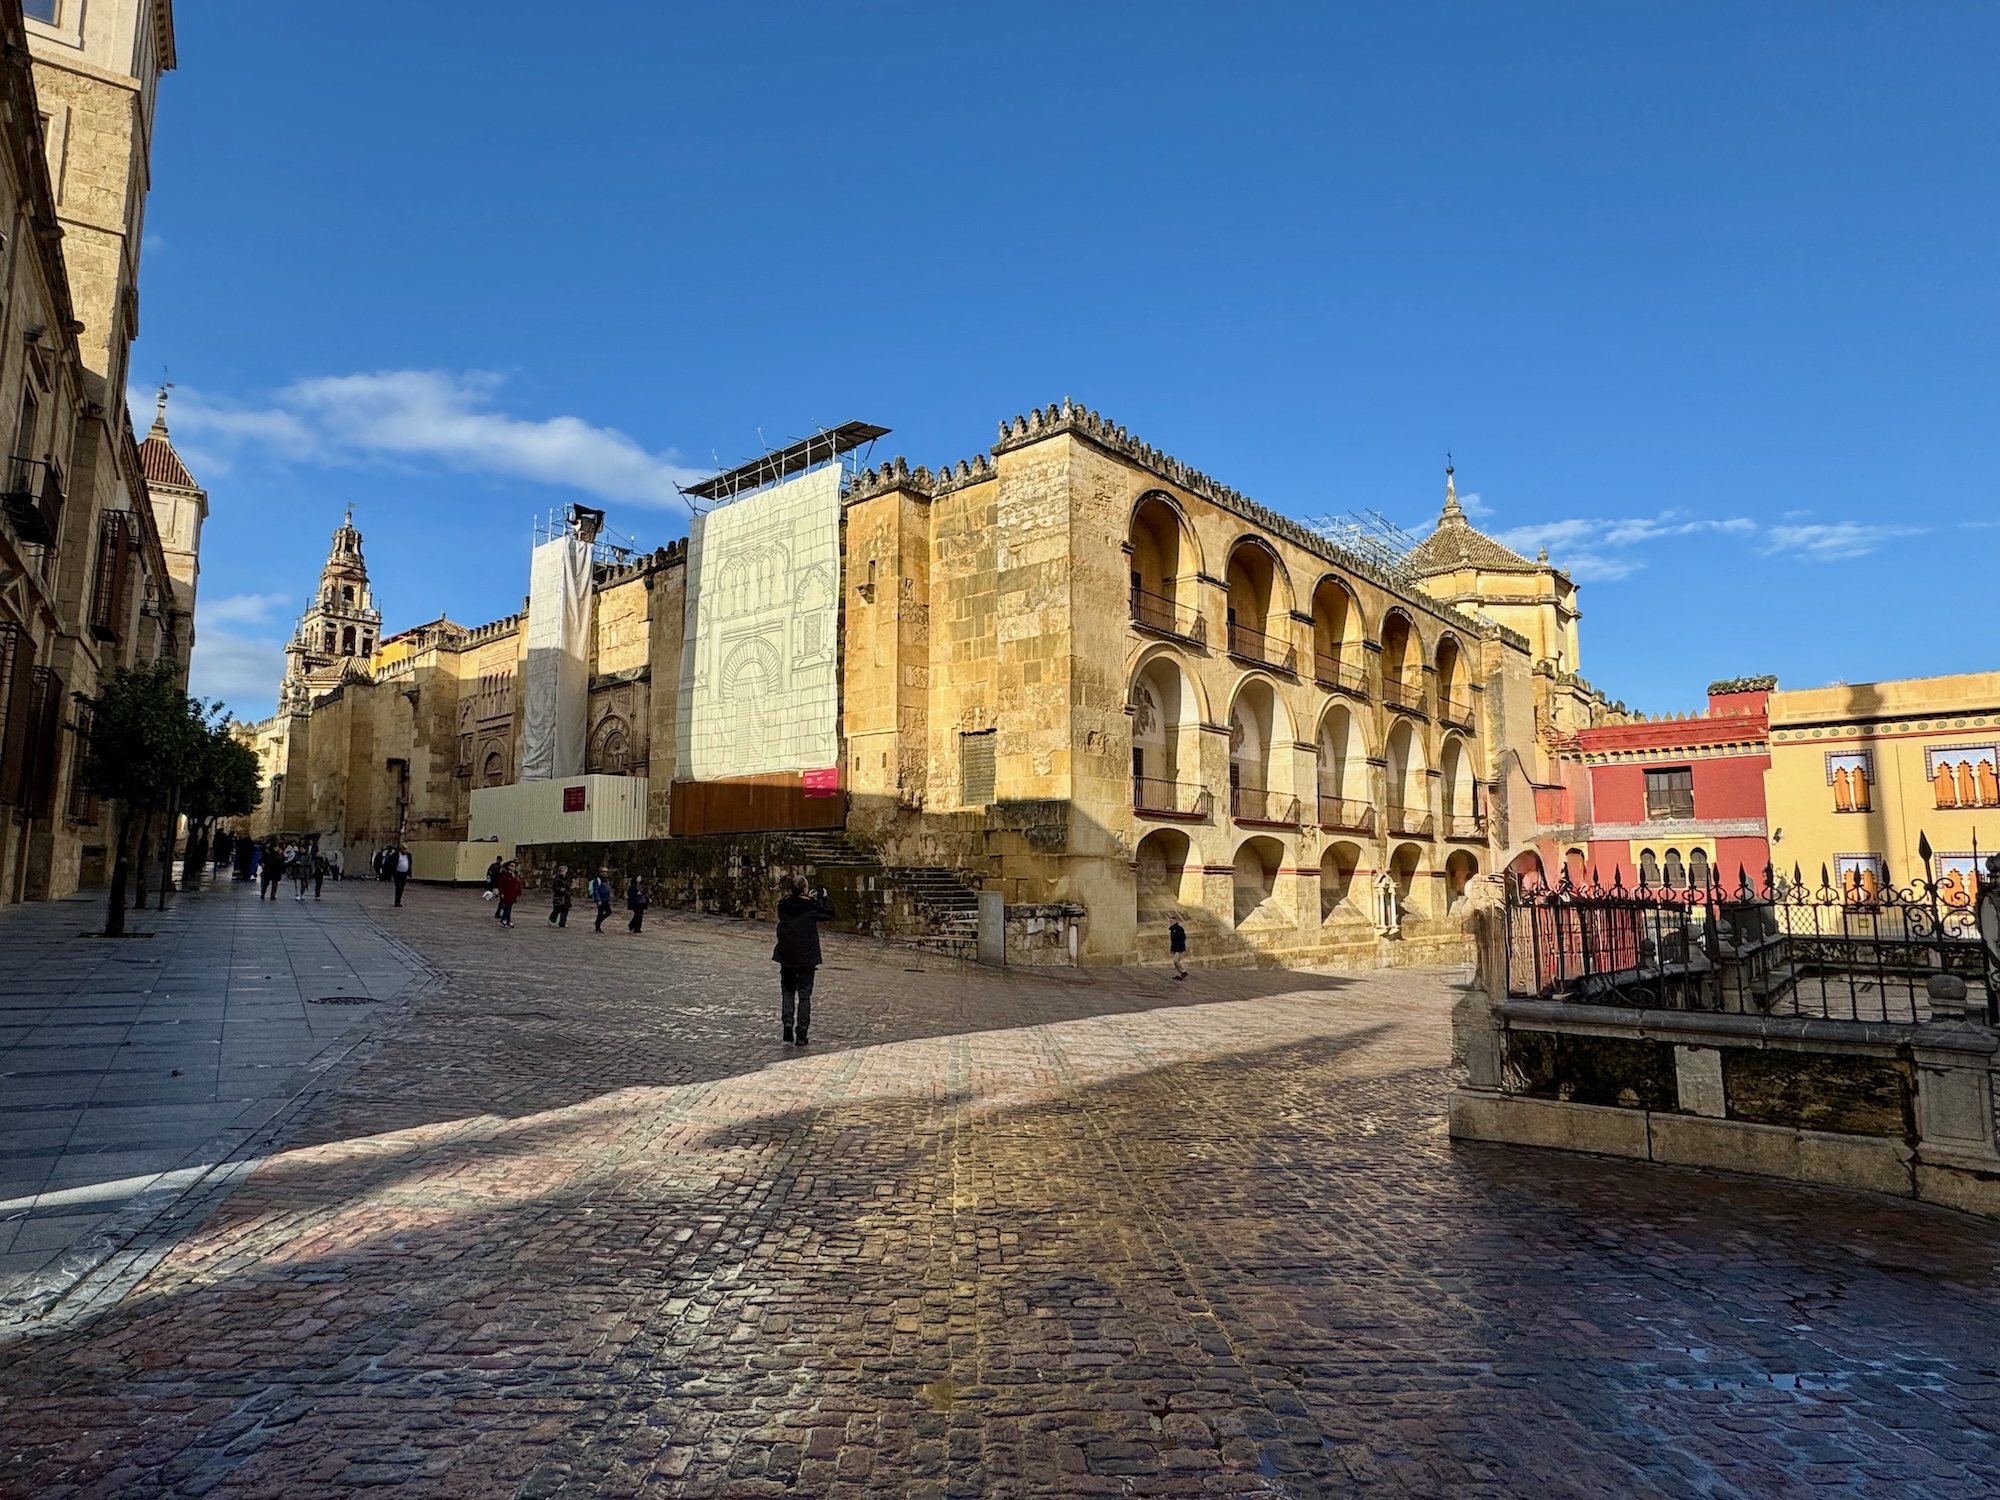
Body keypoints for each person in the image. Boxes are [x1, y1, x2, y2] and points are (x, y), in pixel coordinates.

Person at [773, 876, 836, 1046]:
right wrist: (823, 898)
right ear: (805, 890)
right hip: (806, 957)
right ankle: (801, 1033)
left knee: (787, 991)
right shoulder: (811, 907)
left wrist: (807, 898)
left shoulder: (784, 906)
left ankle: (787, 1022)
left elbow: (787, 902)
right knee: (804, 996)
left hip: (787, 955)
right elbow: (828, 913)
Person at [495, 860, 523, 927]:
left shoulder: (515, 876)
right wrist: (501, 893)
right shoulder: (505, 875)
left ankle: (507, 920)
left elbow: (518, 884)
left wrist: (519, 892)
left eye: (514, 866)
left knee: (509, 908)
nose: (513, 867)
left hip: (513, 894)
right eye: (511, 866)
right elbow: (500, 884)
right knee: (507, 907)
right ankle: (505, 920)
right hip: (506, 894)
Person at [590, 867, 614, 932]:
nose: (605, 873)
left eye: (606, 872)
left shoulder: (607, 880)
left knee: (608, 912)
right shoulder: (597, 880)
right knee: (600, 913)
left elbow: (608, 889)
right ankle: (597, 926)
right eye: (603, 872)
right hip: (601, 899)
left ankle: (598, 922)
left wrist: (610, 896)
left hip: (606, 899)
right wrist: (598, 899)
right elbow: (596, 890)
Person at [1169, 914, 1189, 980]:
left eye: (1172, 921)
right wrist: (1172, 948)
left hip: (1179, 948)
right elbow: (1172, 940)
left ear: (1175, 921)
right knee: (1176, 962)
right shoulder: (1172, 929)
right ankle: (1181, 973)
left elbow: (1183, 938)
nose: (1170, 922)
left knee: (1175, 960)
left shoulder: (1179, 929)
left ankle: (1184, 972)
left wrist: (1179, 946)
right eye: (1170, 921)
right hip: (1175, 948)